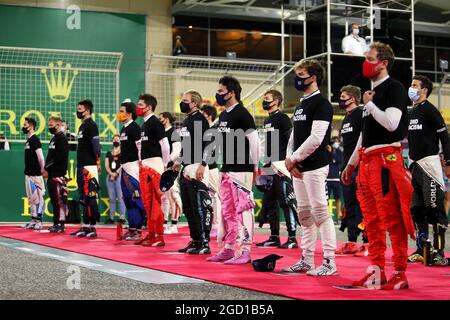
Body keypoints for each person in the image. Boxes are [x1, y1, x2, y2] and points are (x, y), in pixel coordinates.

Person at [342, 42, 415, 289]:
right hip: (367, 161)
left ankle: (401, 272)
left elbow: (392, 124)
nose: (365, 62)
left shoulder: (394, 88)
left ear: (383, 62)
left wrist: (370, 105)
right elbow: (365, 135)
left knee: (392, 219)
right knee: (371, 221)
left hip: (386, 161)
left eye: (369, 58)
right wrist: (351, 164)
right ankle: (377, 270)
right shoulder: (370, 93)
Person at [282, 59, 338, 276]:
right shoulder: (301, 104)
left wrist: (294, 158)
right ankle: (306, 259)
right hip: (298, 167)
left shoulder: (322, 104)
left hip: (315, 166)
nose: (298, 79)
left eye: (301, 74)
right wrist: (290, 159)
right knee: (304, 214)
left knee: (320, 212)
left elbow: (317, 138)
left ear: (313, 77)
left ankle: (330, 261)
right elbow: (294, 136)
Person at [207, 76, 260, 265]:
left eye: (221, 92)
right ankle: (229, 248)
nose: (218, 95)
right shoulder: (224, 115)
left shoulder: (242, 114)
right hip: (227, 168)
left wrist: (255, 167)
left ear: (232, 93)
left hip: (242, 168)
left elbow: (255, 141)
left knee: (244, 210)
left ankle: (246, 250)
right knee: (227, 211)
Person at [407, 75, 450, 265]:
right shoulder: (412, 111)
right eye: (411, 85)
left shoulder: (431, 111)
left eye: (415, 85)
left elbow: (445, 137)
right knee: (416, 210)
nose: (411, 88)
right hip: (415, 166)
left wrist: (449, 162)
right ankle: (422, 249)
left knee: (435, 210)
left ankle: (439, 253)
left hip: (430, 166)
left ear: (424, 90)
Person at [255, 89, 299, 249]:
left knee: (285, 202)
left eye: (267, 99)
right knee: (269, 202)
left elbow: (291, 140)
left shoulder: (283, 118)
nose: (264, 101)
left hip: (280, 165)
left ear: (277, 101)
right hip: (267, 165)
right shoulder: (267, 120)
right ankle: (274, 236)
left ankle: (292, 238)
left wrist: (289, 161)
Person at [174, 90, 213, 254]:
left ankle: (204, 242)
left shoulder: (199, 119)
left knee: (199, 207)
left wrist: (203, 164)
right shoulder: (188, 120)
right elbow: (187, 145)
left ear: (195, 103)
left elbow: (210, 142)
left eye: (185, 100)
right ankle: (196, 240)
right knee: (189, 208)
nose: (182, 103)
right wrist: (178, 162)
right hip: (187, 167)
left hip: (198, 167)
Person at [337, 85, 369, 256]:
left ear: (353, 98)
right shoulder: (346, 119)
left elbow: (364, 141)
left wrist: (356, 165)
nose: (341, 98)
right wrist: (344, 167)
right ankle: (351, 241)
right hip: (346, 168)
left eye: (344, 96)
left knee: (363, 206)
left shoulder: (361, 114)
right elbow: (347, 146)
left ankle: (367, 242)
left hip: (360, 167)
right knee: (349, 205)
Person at [135, 94, 170, 247]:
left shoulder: (155, 123)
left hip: (155, 166)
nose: (138, 107)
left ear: (149, 107)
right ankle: (151, 234)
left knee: (155, 203)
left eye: (141, 104)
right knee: (148, 202)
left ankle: (159, 236)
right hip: (145, 166)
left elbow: (165, 145)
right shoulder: (144, 125)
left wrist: (165, 165)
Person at [71, 100, 102, 238]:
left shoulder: (92, 126)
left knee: (90, 197)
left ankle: (93, 227)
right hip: (81, 165)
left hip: (89, 166)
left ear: (87, 110)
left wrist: (98, 162)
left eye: (80, 109)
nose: (78, 111)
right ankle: (85, 226)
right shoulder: (82, 126)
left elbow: (96, 146)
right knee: (83, 197)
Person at [117, 100, 146, 241]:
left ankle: (139, 230)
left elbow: (140, 147)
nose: (119, 114)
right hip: (124, 167)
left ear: (129, 114)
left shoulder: (134, 128)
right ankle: (132, 229)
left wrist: (141, 164)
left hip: (133, 167)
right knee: (128, 199)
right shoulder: (123, 129)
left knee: (135, 198)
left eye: (122, 111)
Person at [42, 116, 69, 233]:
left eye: (51, 125)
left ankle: (61, 224)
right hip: (51, 173)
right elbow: (49, 156)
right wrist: (45, 168)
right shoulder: (53, 139)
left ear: (58, 125)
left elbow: (59, 157)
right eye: (48, 125)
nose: (49, 127)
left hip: (58, 174)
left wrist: (47, 168)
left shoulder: (62, 139)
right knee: (53, 200)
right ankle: (55, 222)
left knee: (60, 200)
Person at [159, 112, 182, 234]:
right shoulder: (162, 133)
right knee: (164, 197)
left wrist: (167, 162)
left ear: (167, 119)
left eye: (161, 118)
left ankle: (174, 224)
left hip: (170, 167)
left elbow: (177, 151)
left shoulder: (173, 133)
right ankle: (164, 222)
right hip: (163, 166)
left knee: (173, 195)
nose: (159, 120)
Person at [200, 105, 221, 238]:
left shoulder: (213, 130)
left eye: (202, 114)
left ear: (208, 116)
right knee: (211, 196)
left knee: (217, 195)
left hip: (211, 166)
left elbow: (211, 150)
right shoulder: (206, 130)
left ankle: (217, 224)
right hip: (206, 165)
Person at [22, 117, 46, 230]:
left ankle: (39, 221)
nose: (23, 126)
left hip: (36, 174)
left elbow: (41, 157)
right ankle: (34, 219)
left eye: (25, 124)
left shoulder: (35, 139)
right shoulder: (28, 140)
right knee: (31, 198)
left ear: (31, 126)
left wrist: (42, 170)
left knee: (40, 197)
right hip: (28, 174)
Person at [104, 134, 126, 224]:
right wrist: (111, 173)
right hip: (110, 176)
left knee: (121, 197)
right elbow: (106, 164)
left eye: (118, 139)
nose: (116, 141)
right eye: (114, 140)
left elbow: (123, 164)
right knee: (112, 198)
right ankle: (111, 217)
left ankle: (122, 217)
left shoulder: (123, 152)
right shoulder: (109, 153)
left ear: (120, 141)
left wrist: (116, 173)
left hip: (120, 175)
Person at [326, 136, 343, 224]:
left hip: (336, 179)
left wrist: (332, 152)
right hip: (327, 179)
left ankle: (339, 217)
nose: (336, 143)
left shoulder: (339, 151)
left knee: (338, 199)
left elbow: (339, 160)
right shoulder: (325, 152)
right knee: (326, 199)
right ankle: (328, 218)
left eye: (337, 141)